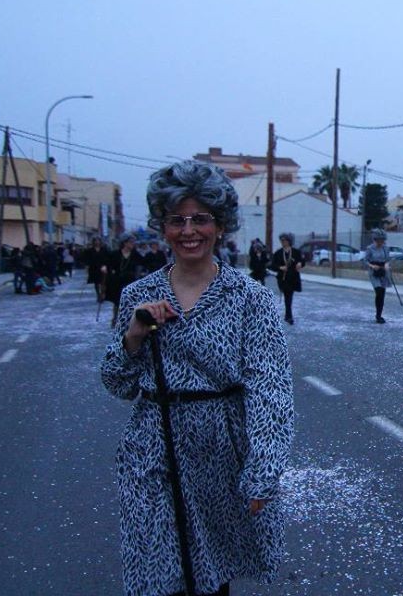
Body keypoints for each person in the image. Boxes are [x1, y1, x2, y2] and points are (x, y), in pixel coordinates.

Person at [100, 160, 294, 596]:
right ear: (162, 227)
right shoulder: (138, 295)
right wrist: (134, 335)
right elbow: (117, 384)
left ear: (220, 225)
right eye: (177, 220)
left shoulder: (250, 298)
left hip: (220, 450)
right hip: (153, 447)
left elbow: (270, 388)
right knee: (157, 570)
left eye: (200, 219)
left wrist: (263, 469)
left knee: (210, 574)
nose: (189, 231)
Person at [103, 233, 146, 328]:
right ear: (125, 243)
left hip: (130, 280)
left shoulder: (134, 254)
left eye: (133, 242)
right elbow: (107, 263)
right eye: (131, 242)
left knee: (131, 300)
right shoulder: (115, 254)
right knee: (117, 301)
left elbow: (144, 262)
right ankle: (115, 318)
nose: (133, 244)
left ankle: (129, 319)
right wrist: (105, 268)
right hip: (118, 280)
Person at [269, 232, 303, 324]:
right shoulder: (278, 253)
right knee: (287, 296)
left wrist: (300, 264)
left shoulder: (296, 252)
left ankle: (288, 315)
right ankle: (288, 316)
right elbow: (272, 265)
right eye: (281, 240)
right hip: (283, 278)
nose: (283, 242)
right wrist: (280, 267)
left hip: (293, 277)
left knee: (289, 296)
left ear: (289, 241)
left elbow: (302, 260)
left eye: (284, 240)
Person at [363, 228, 392, 323]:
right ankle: (378, 316)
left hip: (383, 271)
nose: (381, 242)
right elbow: (365, 260)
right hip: (374, 271)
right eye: (379, 240)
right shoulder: (370, 248)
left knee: (382, 294)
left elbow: (388, 259)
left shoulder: (385, 248)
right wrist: (372, 266)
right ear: (375, 239)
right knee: (378, 291)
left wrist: (387, 264)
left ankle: (379, 315)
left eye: (383, 240)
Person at [84, 237, 108, 301]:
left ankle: (102, 294)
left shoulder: (104, 249)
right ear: (93, 242)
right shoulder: (90, 250)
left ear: (100, 242)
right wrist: (87, 265)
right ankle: (98, 295)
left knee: (103, 282)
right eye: (96, 241)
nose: (97, 242)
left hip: (102, 267)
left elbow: (107, 258)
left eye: (98, 241)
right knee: (96, 282)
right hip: (94, 268)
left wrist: (106, 265)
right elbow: (87, 258)